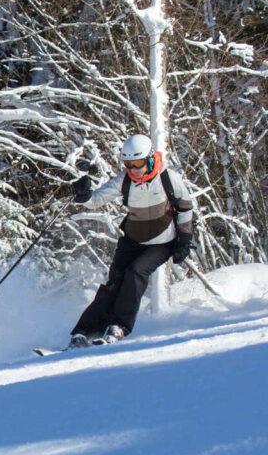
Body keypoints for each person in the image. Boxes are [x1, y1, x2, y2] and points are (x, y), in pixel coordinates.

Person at [68, 134, 195, 347]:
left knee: (136, 272)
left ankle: (118, 326)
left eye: (138, 163)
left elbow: (185, 208)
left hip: (162, 242)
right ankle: (85, 330)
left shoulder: (168, 178)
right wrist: (84, 196)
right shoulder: (126, 180)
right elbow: (97, 199)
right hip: (133, 239)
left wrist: (185, 240)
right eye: (129, 164)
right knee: (115, 281)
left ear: (150, 158)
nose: (134, 169)